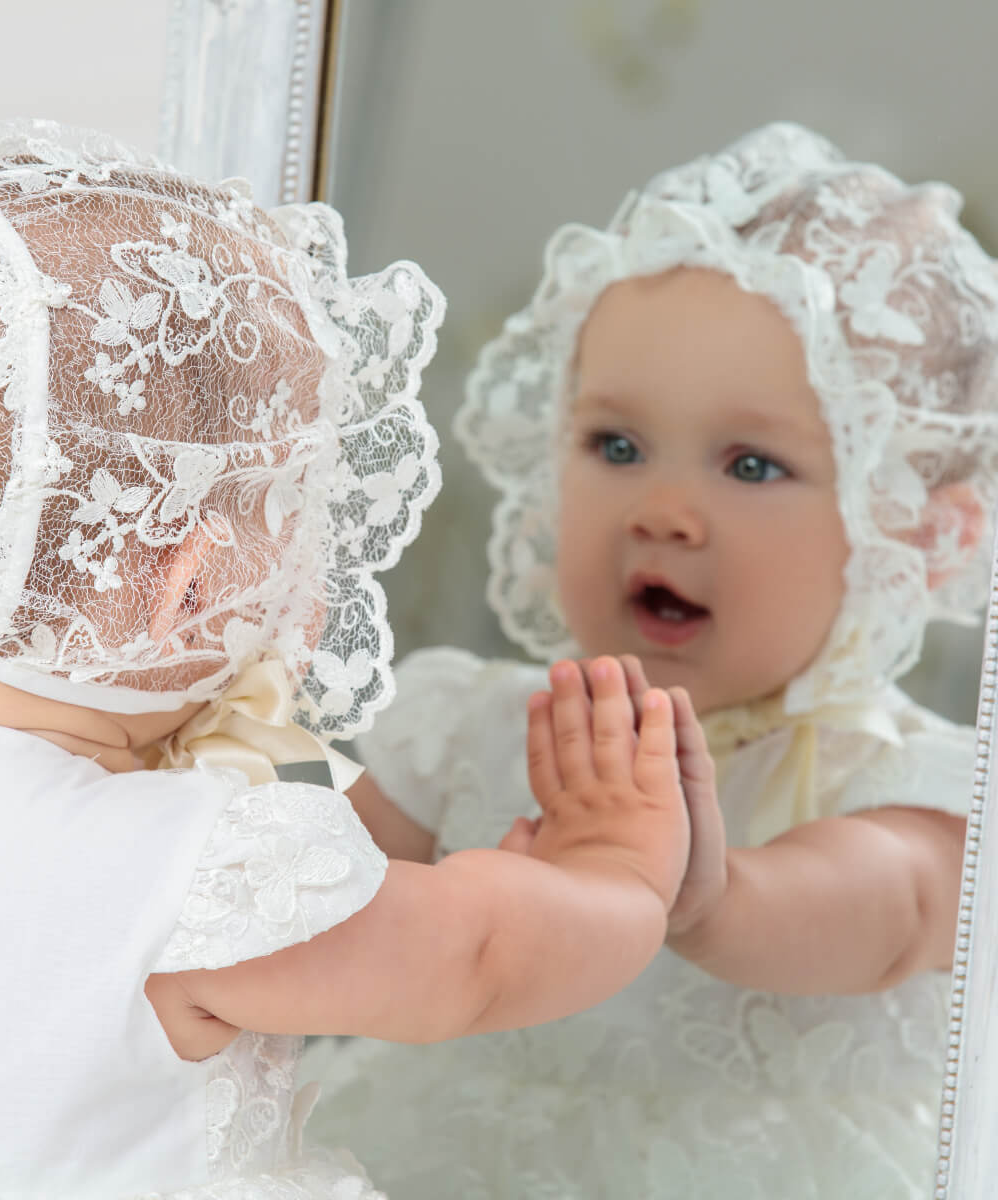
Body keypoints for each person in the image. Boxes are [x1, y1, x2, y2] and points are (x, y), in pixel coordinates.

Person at [0, 120, 691, 1199]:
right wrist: (620, 872)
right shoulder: (181, 875)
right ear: (198, 584)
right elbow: (470, 962)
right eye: (292, 509)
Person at [304, 121, 998, 1198]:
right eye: (616, 447)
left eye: (752, 464)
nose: (663, 512)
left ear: (916, 531)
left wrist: (710, 898)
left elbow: (878, 914)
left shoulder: (914, 797)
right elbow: (304, 897)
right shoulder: (475, 728)